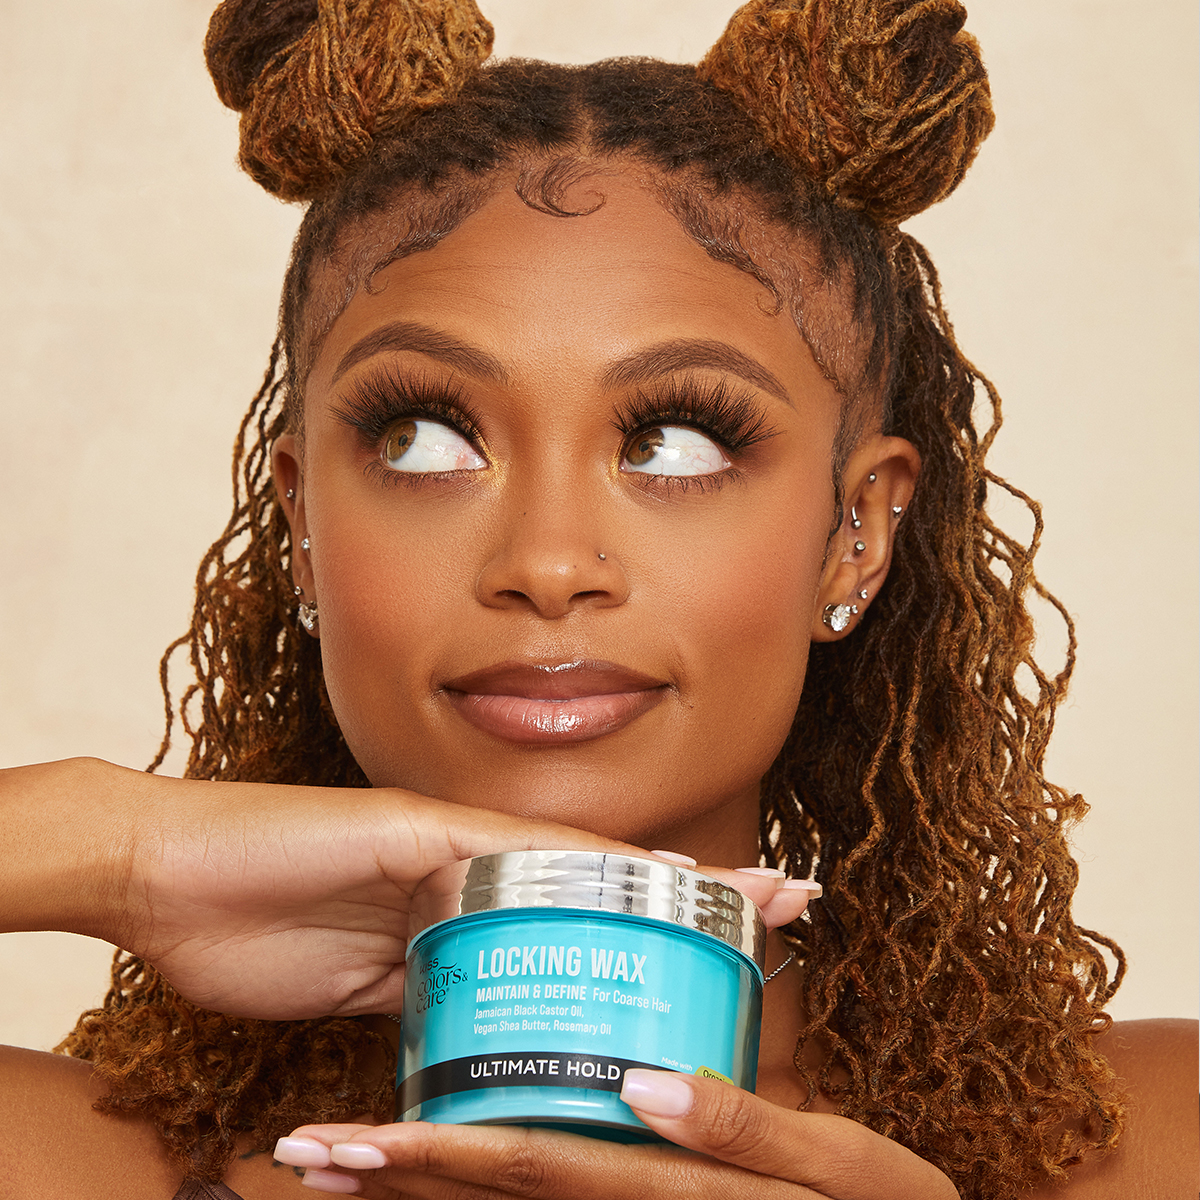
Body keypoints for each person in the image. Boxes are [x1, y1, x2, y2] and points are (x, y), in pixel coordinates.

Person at [0, 1, 1194, 1197]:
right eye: (422, 440)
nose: (550, 561)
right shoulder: (68, 1162)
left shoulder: (1152, 1146)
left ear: (856, 533)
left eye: (677, 442)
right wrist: (118, 848)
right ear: (302, 524)